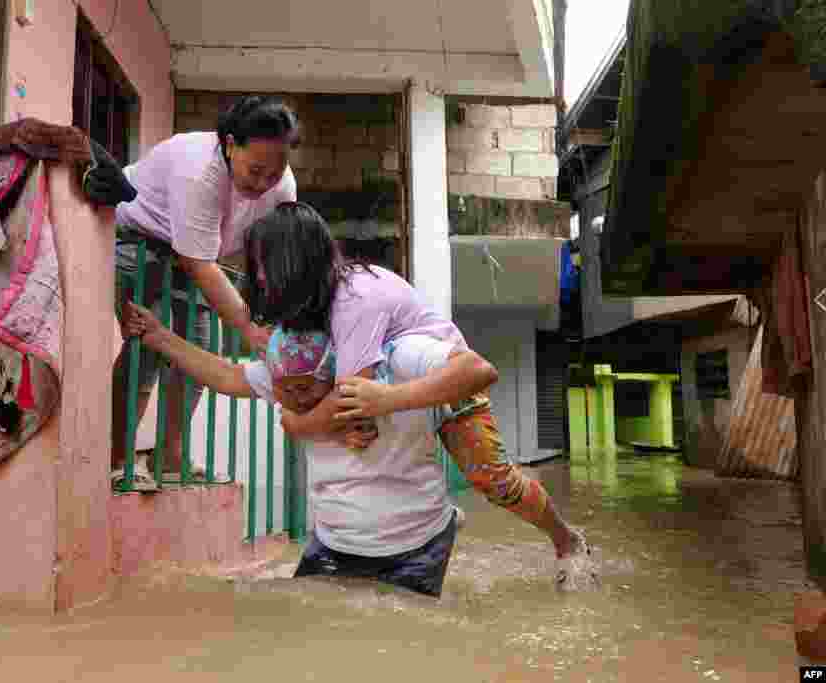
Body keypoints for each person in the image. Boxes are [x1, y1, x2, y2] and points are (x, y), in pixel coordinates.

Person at [242, 203, 596, 588]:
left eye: (265, 265)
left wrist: (296, 423)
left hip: (445, 384)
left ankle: (567, 540)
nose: (259, 276)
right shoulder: (314, 304)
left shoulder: (354, 297)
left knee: (496, 482)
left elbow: (348, 397)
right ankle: (437, 521)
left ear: (293, 262)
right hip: (389, 386)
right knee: (359, 438)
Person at [122, 307, 497, 597]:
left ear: (335, 375)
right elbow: (225, 375)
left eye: (307, 388)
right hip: (336, 542)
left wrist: (390, 399)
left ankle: (451, 520)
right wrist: (160, 337)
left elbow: (478, 371)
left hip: (416, 542)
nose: (296, 397)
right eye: (286, 389)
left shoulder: (392, 360)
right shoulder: (287, 377)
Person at [111, 96, 299, 490]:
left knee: (197, 347)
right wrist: (251, 331)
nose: (265, 183)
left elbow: (269, 253)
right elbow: (198, 263)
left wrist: (273, 315)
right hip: (139, 242)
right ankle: (117, 458)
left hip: (197, 255)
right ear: (230, 145)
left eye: (274, 173)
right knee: (147, 343)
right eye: (256, 170)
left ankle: (169, 454)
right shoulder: (198, 171)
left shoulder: (282, 185)